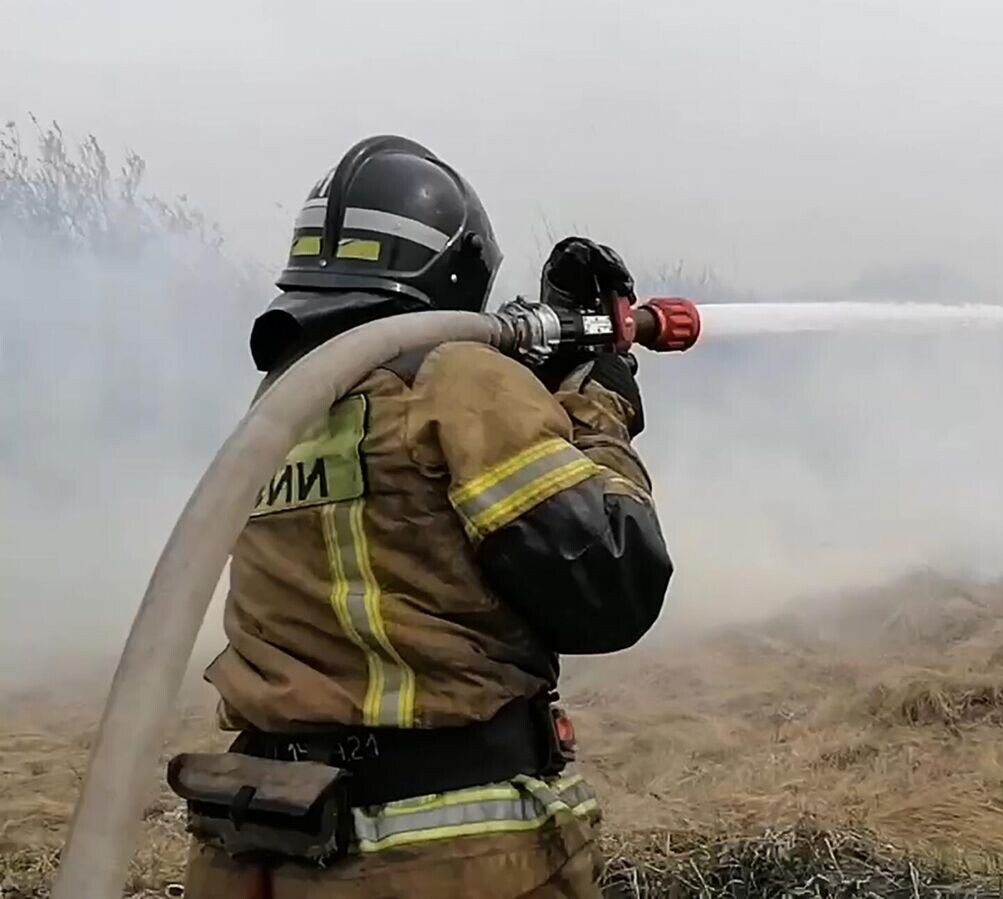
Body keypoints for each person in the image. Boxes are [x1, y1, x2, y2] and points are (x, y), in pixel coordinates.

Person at [179, 134, 673, 899]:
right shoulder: (460, 377)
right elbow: (612, 582)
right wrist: (598, 405)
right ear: (457, 270)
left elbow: (403, 528)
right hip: (441, 863)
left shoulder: (282, 412)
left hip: (262, 852)